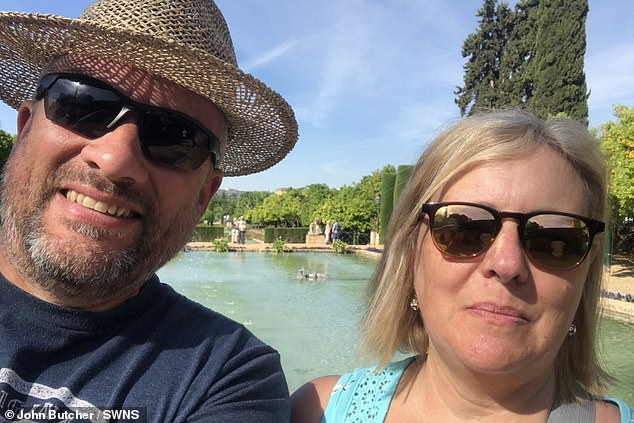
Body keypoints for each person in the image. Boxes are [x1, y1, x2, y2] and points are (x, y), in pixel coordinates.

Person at [0, 0, 298, 421]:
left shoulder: (231, 379)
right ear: (25, 126)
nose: (114, 159)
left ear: (205, 196)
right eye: (84, 105)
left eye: (176, 137)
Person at [291, 110, 632, 422]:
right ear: (409, 253)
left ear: (587, 268)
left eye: (554, 240)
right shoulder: (313, 411)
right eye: (464, 229)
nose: (507, 263)